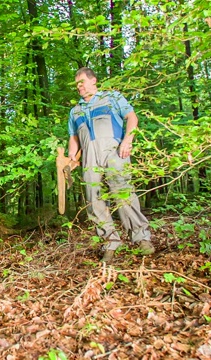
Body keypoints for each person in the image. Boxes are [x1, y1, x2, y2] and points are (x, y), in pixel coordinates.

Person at [67, 67, 154, 262]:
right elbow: (73, 137)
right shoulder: (75, 111)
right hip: (90, 158)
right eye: (77, 84)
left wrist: (128, 141)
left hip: (115, 152)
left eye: (81, 82)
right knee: (93, 199)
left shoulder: (112, 98)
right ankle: (110, 243)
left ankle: (141, 238)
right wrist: (72, 154)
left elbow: (132, 117)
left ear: (93, 80)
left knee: (123, 194)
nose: (79, 87)